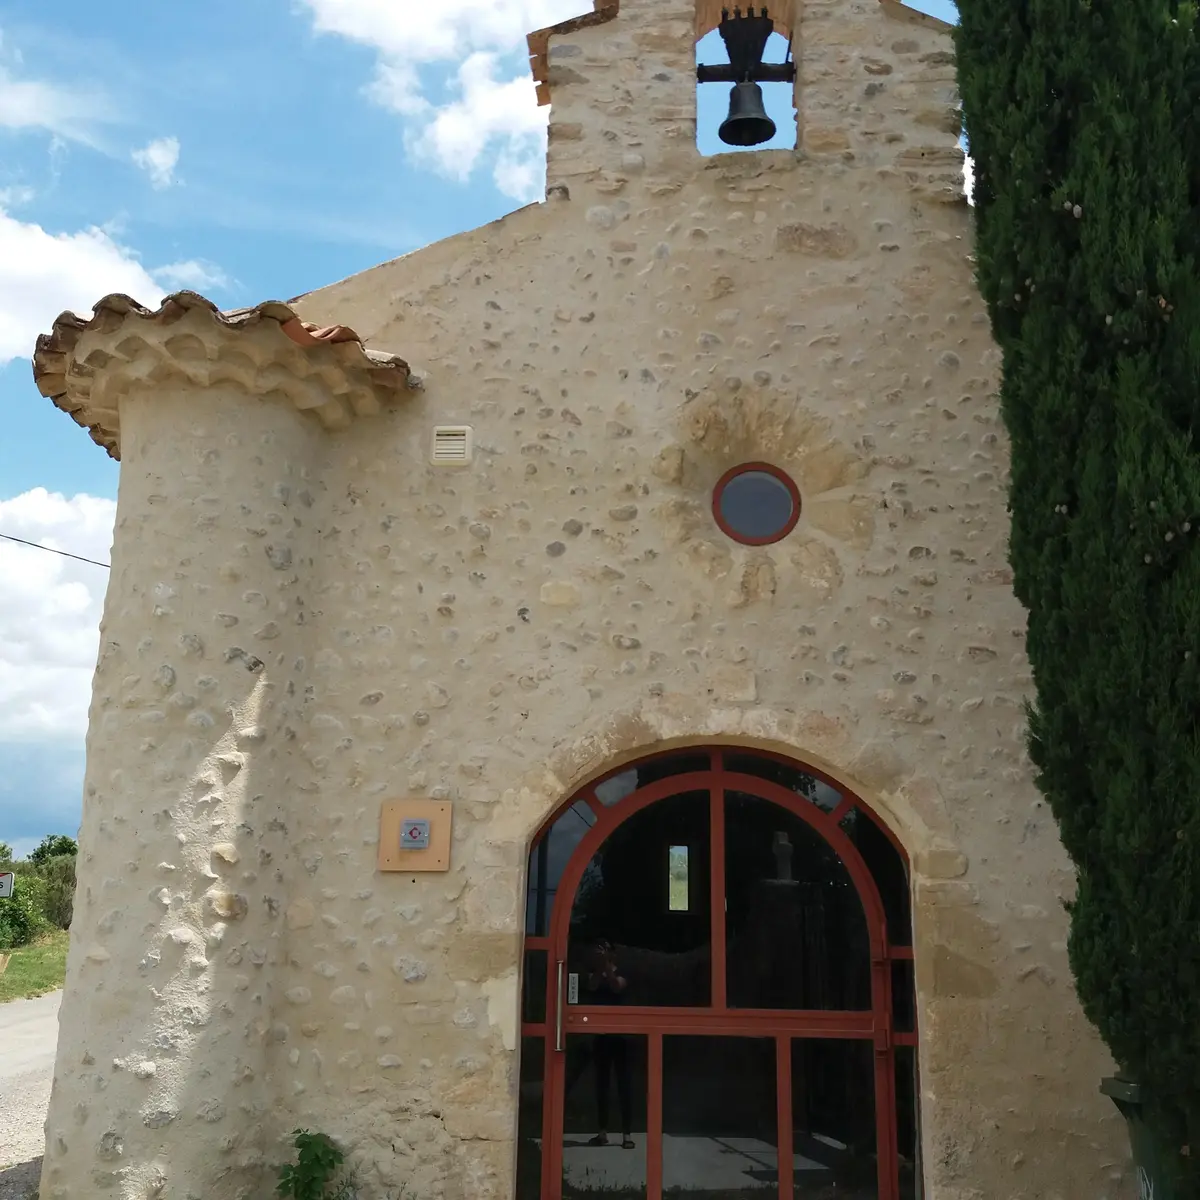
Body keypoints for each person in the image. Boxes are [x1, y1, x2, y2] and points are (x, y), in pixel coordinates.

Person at [570, 939, 635, 1149]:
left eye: (604, 950)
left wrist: (607, 966)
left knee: (624, 1085)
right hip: (602, 1036)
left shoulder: (623, 970)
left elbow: (618, 987)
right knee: (602, 1085)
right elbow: (592, 985)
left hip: (621, 1036)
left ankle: (627, 1134)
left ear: (613, 954)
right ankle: (602, 1131)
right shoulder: (594, 971)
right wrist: (600, 967)